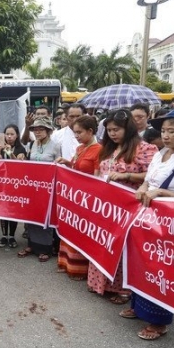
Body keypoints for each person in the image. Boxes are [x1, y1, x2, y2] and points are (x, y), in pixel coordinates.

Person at [122, 107, 174, 340]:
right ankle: (138, 306)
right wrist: (142, 189)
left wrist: (162, 193)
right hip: (148, 221)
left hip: (173, 228)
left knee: (162, 271)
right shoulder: (160, 154)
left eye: (173, 131)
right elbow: (147, 181)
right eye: (165, 131)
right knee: (142, 263)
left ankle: (158, 322)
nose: (167, 135)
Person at [86, 109, 157, 302]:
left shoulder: (145, 149)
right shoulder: (108, 148)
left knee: (124, 247)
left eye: (116, 129)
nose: (112, 134)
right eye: (109, 130)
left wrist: (127, 176)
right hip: (106, 207)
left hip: (130, 208)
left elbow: (153, 176)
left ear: (128, 128)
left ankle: (123, 289)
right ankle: (101, 283)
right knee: (104, 243)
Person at [54, 115, 102, 280]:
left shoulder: (99, 150)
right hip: (75, 197)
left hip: (88, 199)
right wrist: (67, 163)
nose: (76, 136)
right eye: (75, 133)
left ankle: (79, 269)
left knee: (82, 232)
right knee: (71, 229)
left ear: (90, 131)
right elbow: (76, 167)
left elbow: (97, 178)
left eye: (79, 132)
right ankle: (67, 264)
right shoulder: (80, 149)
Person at [17, 116, 61, 261]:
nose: (38, 132)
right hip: (33, 187)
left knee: (46, 217)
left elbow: (61, 166)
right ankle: (31, 244)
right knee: (32, 216)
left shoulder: (56, 145)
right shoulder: (32, 145)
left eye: (41, 129)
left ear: (48, 130)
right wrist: (23, 157)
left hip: (49, 188)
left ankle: (46, 248)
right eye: (35, 129)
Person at [0, 124, 26, 248]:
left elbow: (20, 163)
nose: (9, 136)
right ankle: (4, 235)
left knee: (13, 210)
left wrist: (10, 153)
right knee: (3, 210)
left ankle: (12, 236)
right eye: (7, 134)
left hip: (16, 184)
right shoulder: (0, 148)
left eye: (12, 134)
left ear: (17, 135)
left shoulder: (21, 148)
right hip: (2, 184)